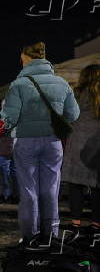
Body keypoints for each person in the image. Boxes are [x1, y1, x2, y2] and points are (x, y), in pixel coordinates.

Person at [1, 40, 80, 248]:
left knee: (29, 190)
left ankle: (30, 236)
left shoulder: (18, 84)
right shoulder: (62, 83)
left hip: (26, 141)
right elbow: (73, 114)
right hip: (53, 141)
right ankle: (51, 234)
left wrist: (7, 117)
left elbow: (9, 117)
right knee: (51, 188)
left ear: (27, 58)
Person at [62, 64, 100, 234]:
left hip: (77, 142)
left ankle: (75, 222)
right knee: (98, 186)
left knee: (75, 184)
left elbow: (67, 116)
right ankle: (96, 224)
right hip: (96, 144)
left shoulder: (77, 94)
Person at [0, 117, 17, 203]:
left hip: (4, 149)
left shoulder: (2, 121)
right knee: (15, 172)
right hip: (17, 148)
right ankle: (16, 194)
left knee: (5, 173)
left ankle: (7, 195)